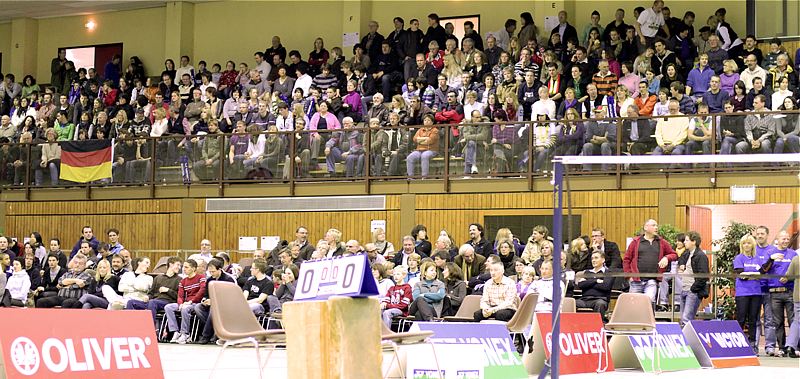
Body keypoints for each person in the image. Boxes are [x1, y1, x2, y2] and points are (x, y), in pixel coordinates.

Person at [734, 234, 774, 355]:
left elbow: (762, 271)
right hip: (742, 293)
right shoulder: (739, 258)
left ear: (753, 245)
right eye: (744, 243)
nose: (747, 245)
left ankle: (752, 346)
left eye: (749, 243)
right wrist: (754, 275)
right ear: (742, 245)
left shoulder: (757, 258)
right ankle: (738, 344)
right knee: (741, 318)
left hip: (756, 292)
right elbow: (741, 275)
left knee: (754, 319)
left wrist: (771, 260)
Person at [623, 219, 678, 305]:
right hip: (636, 280)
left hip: (652, 280)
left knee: (649, 303)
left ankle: (649, 319)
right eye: (653, 225)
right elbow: (626, 259)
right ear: (645, 227)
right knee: (634, 305)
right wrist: (629, 276)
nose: (656, 227)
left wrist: (666, 258)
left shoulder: (662, 242)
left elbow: (674, 254)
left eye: (656, 225)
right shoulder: (635, 242)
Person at [766, 230, 797, 356]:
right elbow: (764, 269)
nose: (786, 241)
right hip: (774, 294)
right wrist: (771, 259)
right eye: (783, 238)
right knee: (777, 322)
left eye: (787, 238)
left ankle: (793, 347)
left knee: (793, 320)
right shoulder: (770, 253)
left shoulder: (793, 254)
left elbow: (796, 271)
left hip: (790, 292)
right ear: (777, 239)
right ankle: (782, 347)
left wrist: (789, 277)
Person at [128, 257, 181, 330]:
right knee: (131, 302)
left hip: (168, 302)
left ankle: (150, 328)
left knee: (153, 302)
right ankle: (131, 327)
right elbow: (151, 293)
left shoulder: (179, 279)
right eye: (177, 265)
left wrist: (168, 290)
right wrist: (148, 297)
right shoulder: (158, 278)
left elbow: (179, 296)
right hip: (154, 302)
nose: (179, 267)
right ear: (171, 265)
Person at [194, 257, 236, 345]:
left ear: (220, 269)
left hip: (225, 306)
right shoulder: (209, 280)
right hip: (211, 305)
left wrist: (213, 301)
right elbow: (206, 294)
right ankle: (215, 329)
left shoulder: (228, 280)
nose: (211, 273)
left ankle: (206, 336)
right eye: (209, 272)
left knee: (214, 310)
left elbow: (229, 298)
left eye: (213, 271)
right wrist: (204, 300)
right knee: (198, 307)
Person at [165, 259, 206, 344]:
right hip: (185, 303)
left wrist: (191, 301)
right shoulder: (183, 281)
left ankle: (185, 333)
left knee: (185, 309)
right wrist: (180, 304)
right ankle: (175, 331)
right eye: (184, 267)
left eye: (186, 267)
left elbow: (202, 291)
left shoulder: (201, 278)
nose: (184, 269)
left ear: (193, 268)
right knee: (168, 307)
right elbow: (180, 295)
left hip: (196, 303)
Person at [677, 231, 709, 326]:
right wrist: (682, 264)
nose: (684, 242)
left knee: (686, 319)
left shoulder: (701, 256)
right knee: (683, 319)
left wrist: (693, 289)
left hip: (692, 291)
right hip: (684, 289)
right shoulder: (688, 253)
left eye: (687, 240)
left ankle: (687, 340)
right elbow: (681, 258)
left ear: (694, 242)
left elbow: (703, 276)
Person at [576, 252, 614, 321]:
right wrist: (596, 281)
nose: (593, 260)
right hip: (585, 300)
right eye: (592, 258)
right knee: (572, 303)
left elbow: (606, 286)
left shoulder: (608, 273)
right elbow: (581, 285)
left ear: (603, 260)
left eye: (596, 258)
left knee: (600, 304)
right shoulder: (587, 272)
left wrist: (588, 282)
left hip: (600, 299)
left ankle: (597, 326)